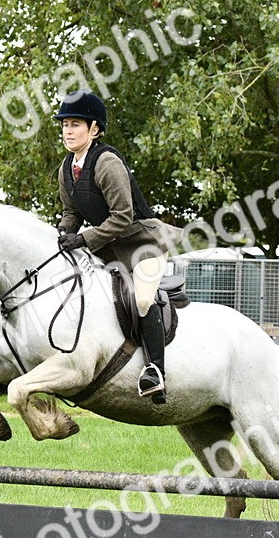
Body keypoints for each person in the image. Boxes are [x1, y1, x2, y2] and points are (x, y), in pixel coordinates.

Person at [52, 90, 185, 403]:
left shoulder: (107, 162)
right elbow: (71, 213)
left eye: (75, 125)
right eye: (65, 125)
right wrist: (61, 234)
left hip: (143, 243)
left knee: (140, 299)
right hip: (108, 248)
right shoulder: (67, 167)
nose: (68, 131)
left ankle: (155, 371)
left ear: (95, 129)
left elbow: (123, 218)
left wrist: (83, 239)